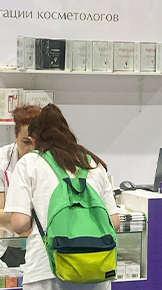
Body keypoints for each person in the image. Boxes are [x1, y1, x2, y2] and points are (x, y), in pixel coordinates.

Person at [7, 104, 119, 290]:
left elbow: (20, 224)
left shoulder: (29, 162)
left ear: (34, 140)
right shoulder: (92, 163)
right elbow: (114, 223)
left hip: (46, 271)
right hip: (96, 269)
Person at [0, 105, 42, 226]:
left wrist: (17, 213)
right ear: (16, 137)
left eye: (38, 143)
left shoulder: (53, 159)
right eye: (26, 142)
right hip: (10, 235)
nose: (32, 149)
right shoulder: (0, 159)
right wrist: (29, 215)